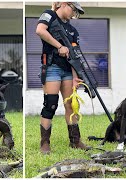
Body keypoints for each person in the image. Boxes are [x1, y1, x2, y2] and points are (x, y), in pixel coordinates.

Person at [36, 2, 90, 154]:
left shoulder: (73, 31)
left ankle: (75, 141)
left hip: (68, 72)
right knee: (50, 105)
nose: (74, 14)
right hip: (52, 68)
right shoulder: (49, 15)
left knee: (71, 106)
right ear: (65, 4)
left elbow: (74, 56)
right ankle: (45, 143)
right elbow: (40, 30)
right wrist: (59, 46)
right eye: (73, 10)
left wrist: (74, 77)